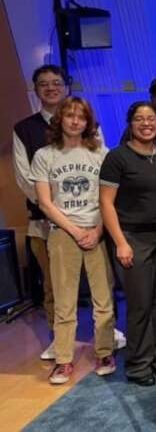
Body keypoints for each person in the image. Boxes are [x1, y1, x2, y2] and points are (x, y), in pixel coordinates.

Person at [31, 97, 117, 385]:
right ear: (61, 119)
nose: (75, 121)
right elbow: (45, 202)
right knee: (65, 299)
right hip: (62, 233)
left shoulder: (101, 154)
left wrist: (96, 230)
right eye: (69, 115)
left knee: (103, 297)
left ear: (88, 121)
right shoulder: (45, 155)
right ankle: (64, 359)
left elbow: (109, 200)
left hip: (97, 230)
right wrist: (74, 230)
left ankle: (105, 351)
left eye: (81, 116)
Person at [99, 101, 156, 386]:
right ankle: (138, 365)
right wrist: (120, 242)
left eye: (151, 118)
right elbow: (106, 203)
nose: (146, 123)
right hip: (132, 238)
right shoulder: (117, 158)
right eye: (139, 119)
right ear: (130, 123)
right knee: (140, 303)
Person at [12, 64, 67, 359]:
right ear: (36, 89)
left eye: (56, 82)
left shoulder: (84, 121)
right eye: (44, 84)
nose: (51, 88)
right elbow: (24, 178)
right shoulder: (24, 129)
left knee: (100, 280)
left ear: (65, 87)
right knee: (52, 284)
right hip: (44, 222)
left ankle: (105, 332)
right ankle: (59, 339)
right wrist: (56, 207)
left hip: (85, 220)